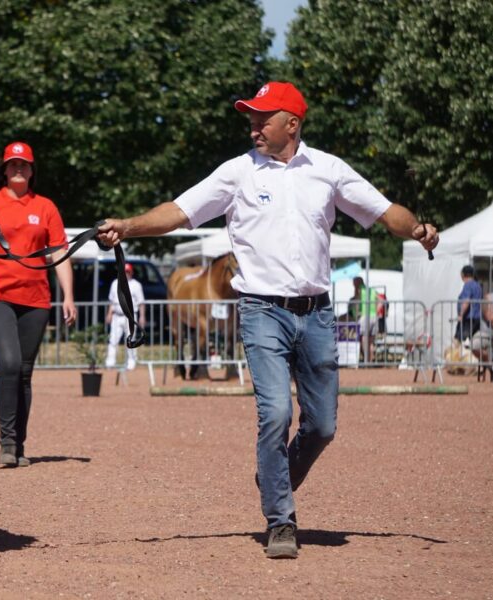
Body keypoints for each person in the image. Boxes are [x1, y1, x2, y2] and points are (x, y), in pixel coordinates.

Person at [96, 81, 438, 558]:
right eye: (251, 118)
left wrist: (418, 230)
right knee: (275, 413)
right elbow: (180, 211)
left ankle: (272, 474)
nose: (254, 126)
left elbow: (383, 212)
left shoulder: (328, 169)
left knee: (322, 427)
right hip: (261, 311)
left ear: (292, 124)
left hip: (317, 312)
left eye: (263, 118)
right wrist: (127, 225)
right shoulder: (237, 173)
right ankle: (281, 519)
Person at [0, 141, 76, 468]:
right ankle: (6, 442)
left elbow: (59, 251)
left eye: (24, 164)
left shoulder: (46, 207)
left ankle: (18, 445)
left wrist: (69, 296)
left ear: (32, 171)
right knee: (8, 363)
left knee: (23, 372)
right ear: (4, 170)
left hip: (36, 299)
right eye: (13, 164)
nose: (19, 169)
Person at [105, 262, 147, 370]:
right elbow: (112, 301)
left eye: (128, 272)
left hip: (131, 317)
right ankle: (110, 361)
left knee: (130, 339)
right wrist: (109, 313)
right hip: (117, 315)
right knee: (113, 339)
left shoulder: (136, 285)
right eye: (124, 272)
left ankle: (131, 361)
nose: (126, 274)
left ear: (131, 273)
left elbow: (141, 302)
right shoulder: (115, 283)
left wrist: (142, 316)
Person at [348, 276, 380, 363]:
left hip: (364, 316)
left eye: (354, 284)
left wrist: (355, 315)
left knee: (363, 339)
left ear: (357, 283)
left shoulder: (359, 290)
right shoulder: (371, 290)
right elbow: (380, 300)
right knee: (370, 342)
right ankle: (370, 360)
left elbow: (356, 302)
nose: (353, 286)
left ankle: (366, 360)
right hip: (374, 316)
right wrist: (376, 311)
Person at [454, 265, 482, 344]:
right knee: (469, 342)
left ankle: (459, 356)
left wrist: (461, 315)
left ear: (463, 274)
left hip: (468, 319)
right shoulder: (477, 285)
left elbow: (466, 301)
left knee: (459, 341)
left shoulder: (468, 285)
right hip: (476, 318)